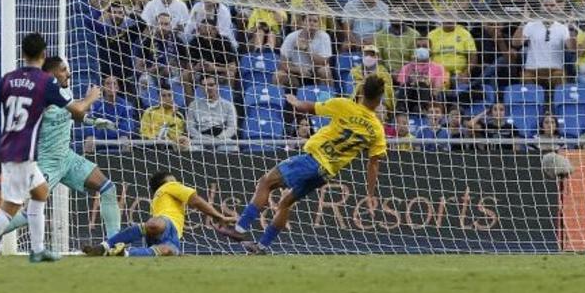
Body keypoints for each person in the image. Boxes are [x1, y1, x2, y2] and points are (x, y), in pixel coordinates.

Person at [0, 33, 101, 264]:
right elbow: (79, 111)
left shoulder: (8, 79)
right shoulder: (46, 82)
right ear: (43, 55)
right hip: (21, 153)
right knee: (9, 209)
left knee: (40, 192)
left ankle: (38, 250)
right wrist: (91, 98)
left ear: (23, 54)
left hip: (13, 148)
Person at [215, 75, 387, 254]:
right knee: (286, 203)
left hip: (312, 160)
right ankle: (262, 246)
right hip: (325, 173)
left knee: (266, 182)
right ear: (379, 99)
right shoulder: (377, 129)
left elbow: (310, 108)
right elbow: (373, 164)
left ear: (361, 91)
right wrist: (370, 194)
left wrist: (295, 101)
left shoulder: (344, 105)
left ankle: (239, 229)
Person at [2, 57, 121, 238]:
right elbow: (79, 109)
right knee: (29, 213)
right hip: (46, 162)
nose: (69, 74)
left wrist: (94, 121)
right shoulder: (41, 94)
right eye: (64, 70)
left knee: (107, 188)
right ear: (51, 73)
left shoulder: (63, 92)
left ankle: (115, 242)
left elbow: (73, 114)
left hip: (66, 157)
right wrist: (90, 98)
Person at [83, 171, 235, 257]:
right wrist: (219, 217)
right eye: (174, 180)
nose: (178, 182)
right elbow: (195, 200)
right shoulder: (170, 186)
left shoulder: (158, 199)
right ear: (167, 182)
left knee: (167, 250)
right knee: (156, 224)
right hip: (167, 224)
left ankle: (123, 253)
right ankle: (105, 246)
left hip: (172, 237)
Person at [186, 75, 237, 151]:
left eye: (211, 85)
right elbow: (190, 128)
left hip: (222, 138)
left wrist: (218, 138)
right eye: (204, 85)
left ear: (217, 86)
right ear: (201, 87)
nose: (208, 88)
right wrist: (203, 138)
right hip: (200, 139)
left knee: (231, 148)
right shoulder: (193, 105)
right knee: (192, 149)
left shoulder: (228, 105)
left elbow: (232, 127)